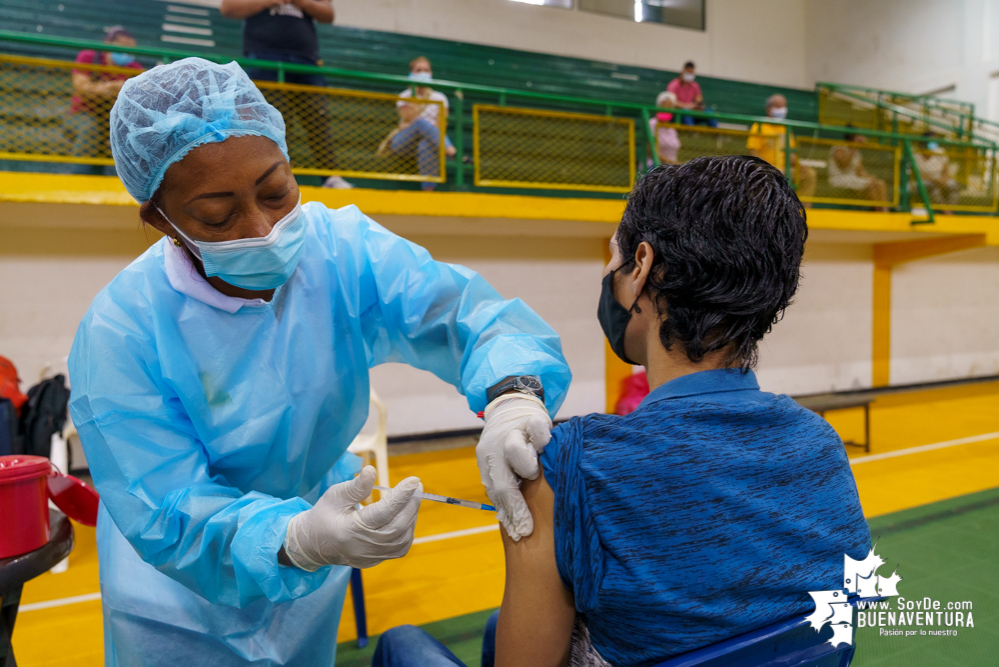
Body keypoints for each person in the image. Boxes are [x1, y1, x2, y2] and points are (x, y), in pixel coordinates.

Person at [68, 58, 571, 667]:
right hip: (177, 605)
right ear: (160, 219)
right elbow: (168, 509)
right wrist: (296, 539)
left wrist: (513, 394)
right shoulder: (122, 332)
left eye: (276, 191)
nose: (262, 227)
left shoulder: (339, 250)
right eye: (217, 215)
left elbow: (464, 314)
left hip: (311, 568)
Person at [370, 156, 871, 667]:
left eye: (616, 259)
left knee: (401, 644)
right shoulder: (822, 446)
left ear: (643, 267)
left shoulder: (567, 466)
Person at [219, 0, 353, 189]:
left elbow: (328, 14)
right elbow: (228, 8)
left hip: (306, 60)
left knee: (317, 118)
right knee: (270, 120)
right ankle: (271, 177)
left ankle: (331, 177)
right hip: (264, 56)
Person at [67, 26, 142, 175]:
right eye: (122, 48)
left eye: (131, 50)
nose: (126, 54)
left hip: (115, 120)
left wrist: (101, 90)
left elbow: (137, 100)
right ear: (108, 43)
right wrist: (113, 87)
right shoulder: (89, 57)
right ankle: (77, 179)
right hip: (82, 114)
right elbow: (83, 89)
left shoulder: (135, 69)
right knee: (90, 129)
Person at [378, 56, 457, 191]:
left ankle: (428, 192)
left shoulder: (440, 98)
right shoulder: (405, 96)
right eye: (418, 70)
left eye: (426, 70)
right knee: (419, 123)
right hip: (404, 141)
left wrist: (420, 128)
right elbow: (409, 120)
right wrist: (414, 92)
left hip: (429, 142)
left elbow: (441, 126)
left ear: (431, 74)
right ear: (411, 74)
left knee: (425, 145)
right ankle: (449, 149)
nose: (423, 73)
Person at [747, 94, 816, 206]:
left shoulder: (786, 128)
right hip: (767, 168)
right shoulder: (759, 126)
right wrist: (771, 167)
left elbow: (791, 154)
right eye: (778, 106)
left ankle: (802, 211)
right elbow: (753, 152)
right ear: (769, 109)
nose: (782, 110)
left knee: (809, 174)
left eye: (784, 106)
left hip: (786, 169)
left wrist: (799, 165)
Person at [828, 130, 889, 211]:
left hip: (854, 179)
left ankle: (885, 212)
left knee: (880, 183)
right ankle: (878, 212)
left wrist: (869, 178)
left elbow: (860, 171)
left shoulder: (857, 152)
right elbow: (844, 164)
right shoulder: (838, 148)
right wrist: (854, 147)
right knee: (870, 185)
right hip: (840, 179)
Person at [912, 132, 960, 208]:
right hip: (926, 181)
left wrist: (944, 180)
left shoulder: (940, 152)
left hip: (940, 179)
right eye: (932, 140)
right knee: (934, 190)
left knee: (953, 186)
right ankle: (944, 211)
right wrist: (934, 180)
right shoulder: (916, 155)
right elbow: (919, 175)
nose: (935, 142)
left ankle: (952, 209)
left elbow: (946, 171)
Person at [666, 61, 717, 128]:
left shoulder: (695, 86)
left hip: (691, 111)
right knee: (686, 112)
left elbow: (699, 99)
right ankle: (692, 132)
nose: (690, 75)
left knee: (709, 112)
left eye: (691, 73)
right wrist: (688, 106)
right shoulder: (673, 85)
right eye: (688, 72)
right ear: (683, 72)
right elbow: (673, 102)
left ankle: (716, 134)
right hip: (678, 113)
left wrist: (699, 106)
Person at [648, 91, 681, 165]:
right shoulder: (651, 124)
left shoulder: (672, 129)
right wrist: (672, 163)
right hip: (653, 166)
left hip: (671, 167)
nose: (666, 109)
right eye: (663, 106)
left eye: (669, 107)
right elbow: (650, 151)